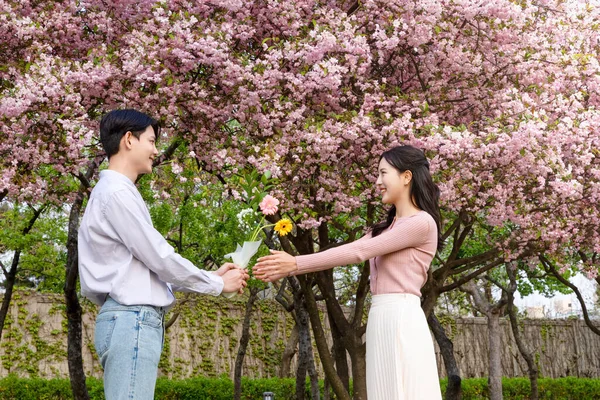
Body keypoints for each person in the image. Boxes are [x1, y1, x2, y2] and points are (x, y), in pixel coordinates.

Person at [78, 109, 249, 400]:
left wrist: (209, 276)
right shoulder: (116, 193)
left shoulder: (116, 192)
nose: (156, 151)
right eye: (152, 141)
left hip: (129, 318)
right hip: (131, 319)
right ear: (129, 140)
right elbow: (158, 256)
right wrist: (217, 286)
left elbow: (148, 267)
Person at [253, 145, 443, 399]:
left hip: (402, 318)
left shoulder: (422, 223)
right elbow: (356, 247)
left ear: (406, 177)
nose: (378, 182)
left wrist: (296, 264)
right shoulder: (385, 228)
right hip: (381, 315)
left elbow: (359, 252)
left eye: (383, 173)